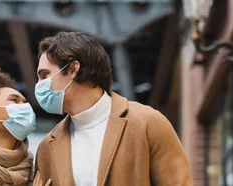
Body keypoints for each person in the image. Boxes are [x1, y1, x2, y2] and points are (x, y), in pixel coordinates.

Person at [32, 32, 192, 186]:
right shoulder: (46, 148)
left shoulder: (147, 123)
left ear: (73, 69)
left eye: (44, 75)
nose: (38, 85)